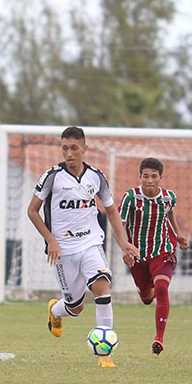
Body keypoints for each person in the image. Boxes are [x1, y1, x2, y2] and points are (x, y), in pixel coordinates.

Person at [27, 126, 140, 368]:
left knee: (102, 286)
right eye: (65, 148)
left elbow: (110, 210)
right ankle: (55, 311)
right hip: (63, 251)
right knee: (75, 307)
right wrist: (51, 240)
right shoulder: (52, 176)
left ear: (84, 149)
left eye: (74, 148)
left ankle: (105, 354)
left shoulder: (96, 176)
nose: (69, 153)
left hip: (90, 242)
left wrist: (123, 244)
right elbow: (32, 211)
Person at [118, 158, 189, 355]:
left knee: (162, 287)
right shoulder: (130, 197)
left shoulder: (168, 197)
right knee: (147, 298)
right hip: (138, 256)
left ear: (160, 178)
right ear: (140, 176)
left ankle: (159, 339)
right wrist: (125, 249)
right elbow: (119, 225)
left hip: (163, 251)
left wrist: (178, 234)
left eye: (154, 176)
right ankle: (150, 292)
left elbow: (170, 215)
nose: (150, 180)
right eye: (146, 176)